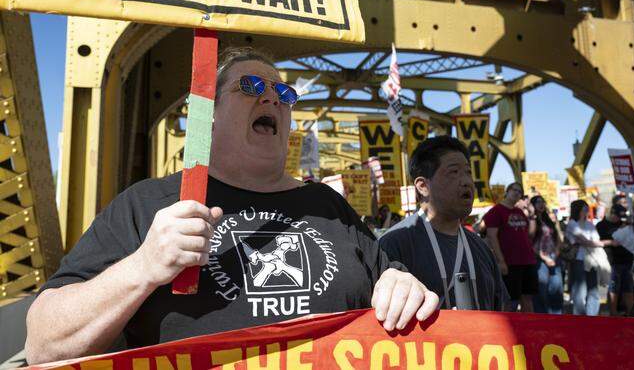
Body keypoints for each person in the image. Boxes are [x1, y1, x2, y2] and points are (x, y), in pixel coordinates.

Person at [25, 48, 439, 364]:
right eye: (252, 88)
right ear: (208, 114)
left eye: (283, 93)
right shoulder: (149, 204)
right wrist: (142, 268)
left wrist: (400, 285)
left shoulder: (329, 206)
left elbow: (394, 285)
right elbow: (44, 345)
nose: (273, 100)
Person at [379, 136, 509, 311]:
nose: (467, 181)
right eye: (454, 172)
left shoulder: (481, 248)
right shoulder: (393, 245)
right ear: (423, 186)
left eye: (468, 172)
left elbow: (503, 310)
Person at [483, 182, 538, 312]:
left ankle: (528, 328)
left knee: (527, 298)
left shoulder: (520, 211)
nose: (517, 193)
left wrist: (532, 215)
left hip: (528, 260)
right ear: (507, 191)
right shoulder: (496, 211)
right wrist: (501, 261)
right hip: (510, 263)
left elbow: (530, 234)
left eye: (520, 192)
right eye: (514, 190)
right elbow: (492, 236)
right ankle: (508, 329)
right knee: (510, 301)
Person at [565, 199, 607, 316]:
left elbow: (594, 240)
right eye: (584, 208)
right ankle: (580, 318)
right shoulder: (572, 223)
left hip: (592, 259)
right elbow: (586, 240)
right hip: (578, 260)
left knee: (593, 291)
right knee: (580, 291)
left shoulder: (589, 224)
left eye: (587, 208)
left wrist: (591, 242)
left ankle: (592, 317)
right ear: (577, 209)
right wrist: (606, 243)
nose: (587, 211)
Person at [597, 204, 634, 315]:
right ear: (612, 214)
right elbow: (597, 242)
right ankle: (613, 314)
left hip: (627, 260)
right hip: (612, 261)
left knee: (628, 289)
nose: (619, 219)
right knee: (614, 289)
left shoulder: (625, 224)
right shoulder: (601, 225)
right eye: (618, 216)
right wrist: (611, 242)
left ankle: (632, 314)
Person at [530, 196, 563, 314]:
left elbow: (558, 238)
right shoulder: (532, 221)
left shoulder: (548, 220)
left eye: (543, 201)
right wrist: (544, 257)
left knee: (556, 289)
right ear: (532, 205)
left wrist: (557, 251)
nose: (541, 204)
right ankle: (543, 318)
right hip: (539, 259)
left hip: (554, 256)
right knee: (541, 292)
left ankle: (557, 317)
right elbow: (530, 242)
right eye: (538, 202)